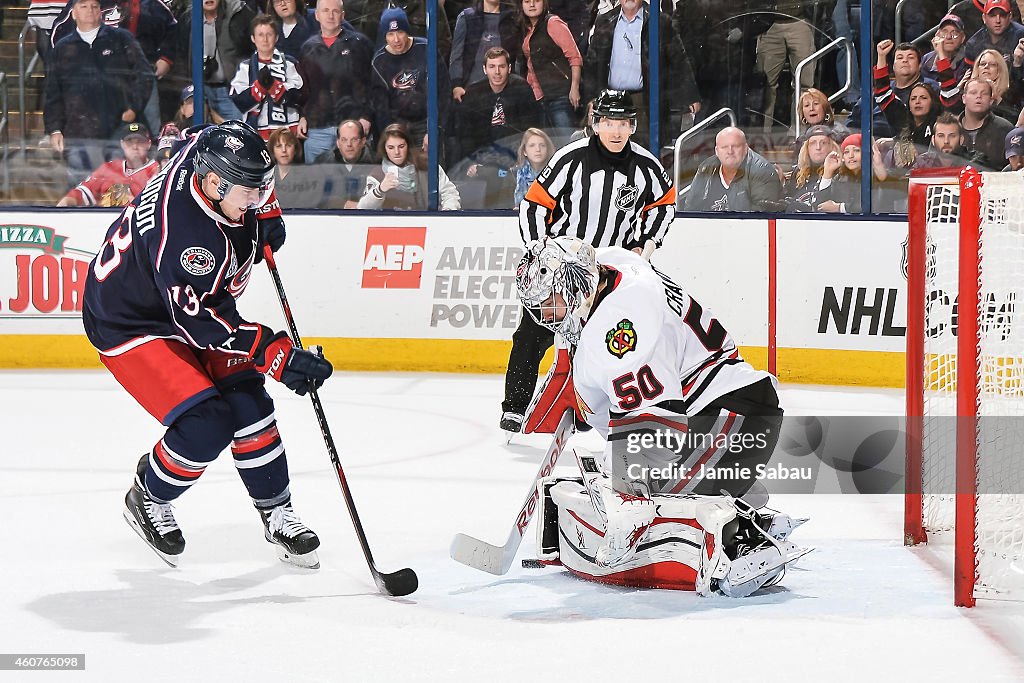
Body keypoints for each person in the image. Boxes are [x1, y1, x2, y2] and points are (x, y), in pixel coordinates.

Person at [82, 121, 333, 569]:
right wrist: (275, 355)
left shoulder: (208, 153)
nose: (256, 200)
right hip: (132, 320)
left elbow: (227, 133)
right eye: (249, 194)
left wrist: (266, 209)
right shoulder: (189, 241)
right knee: (207, 423)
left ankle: (276, 512)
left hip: (180, 299)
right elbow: (201, 323)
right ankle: (149, 497)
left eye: (262, 189)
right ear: (215, 183)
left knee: (250, 402)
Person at [513, 236, 807, 595]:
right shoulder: (613, 266)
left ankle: (743, 536)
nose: (547, 315)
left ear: (577, 285)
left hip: (733, 418)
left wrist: (627, 493)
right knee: (622, 474)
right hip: (722, 414)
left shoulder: (622, 328)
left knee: (631, 486)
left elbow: (653, 429)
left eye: (551, 302)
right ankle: (737, 504)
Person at [501, 90, 674, 433]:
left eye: (623, 124)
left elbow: (664, 205)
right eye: (609, 122)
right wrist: (541, 250)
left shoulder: (646, 166)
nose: (615, 131)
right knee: (532, 335)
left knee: (608, 341)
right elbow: (535, 204)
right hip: (564, 270)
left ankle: (591, 409)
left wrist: (645, 247)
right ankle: (516, 406)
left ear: (632, 126)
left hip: (613, 274)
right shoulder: (570, 158)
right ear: (596, 124)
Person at [44, 0, 154, 186]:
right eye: (84, 6)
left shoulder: (121, 39)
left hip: (118, 130)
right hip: (78, 133)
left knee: (120, 190)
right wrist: (54, 129)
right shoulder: (62, 48)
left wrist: (133, 108)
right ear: (73, 13)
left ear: (101, 12)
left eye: (94, 6)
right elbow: (53, 93)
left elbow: (144, 75)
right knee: (81, 192)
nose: (90, 11)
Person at [583, 0, 700, 149]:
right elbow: (593, 64)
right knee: (611, 149)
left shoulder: (659, 21)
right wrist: (592, 98)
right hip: (610, 99)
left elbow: (678, 59)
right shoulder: (605, 20)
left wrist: (690, 95)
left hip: (644, 101)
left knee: (643, 151)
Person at [455, 46, 542, 207]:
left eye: (501, 66)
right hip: (482, 158)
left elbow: (530, 131)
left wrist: (520, 161)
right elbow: (465, 134)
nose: (497, 72)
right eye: (492, 67)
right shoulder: (474, 93)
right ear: (484, 69)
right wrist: (471, 162)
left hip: (514, 157)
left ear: (509, 68)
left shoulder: (522, 89)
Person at [296, 0, 374, 163]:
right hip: (318, 128)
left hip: (353, 127)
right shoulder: (307, 48)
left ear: (343, 15)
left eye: (335, 11)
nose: (330, 16)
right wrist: (302, 116)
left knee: (357, 183)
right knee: (318, 183)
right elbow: (303, 89)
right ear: (317, 15)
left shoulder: (360, 44)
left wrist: (366, 116)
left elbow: (372, 84)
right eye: (325, 11)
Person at [369, 6, 451, 147]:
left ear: (407, 31)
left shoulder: (426, 48)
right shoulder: (379, 62)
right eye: (390, 34)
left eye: (400, 32)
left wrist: (436, 128)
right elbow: (381, 107)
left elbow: (443, 91)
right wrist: (392, 136)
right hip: (398, 128)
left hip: (427, 123)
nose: (396, 39)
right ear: (384, 36)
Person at [173, 0, 255, 122]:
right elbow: (180, 54)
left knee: (236, 132)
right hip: (200, 89)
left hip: (231, 90)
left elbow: (252, 49)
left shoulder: (238, 13)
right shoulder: (188, 19)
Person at [230, 14, 304, 139]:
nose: (265, 39)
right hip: (256, 133)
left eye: (269, 34)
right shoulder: (245, 66)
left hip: (288, 133)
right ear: (253, 38)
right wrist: (259, 88)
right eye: (260, 35)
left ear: (276, 38)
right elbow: (239, 101)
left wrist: (275, 87)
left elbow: (300, 96)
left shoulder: (290, 63)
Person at [357, 123, 462, 209]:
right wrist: (380, 190)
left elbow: (450, 193)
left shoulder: (427, 166)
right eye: (391, 147)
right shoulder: (377, 175)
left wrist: (447, 212)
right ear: (384, 149)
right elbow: (362, 208)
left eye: (401, 146)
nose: (397, 152)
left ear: (408, 146)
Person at [683, 126, 784, 212]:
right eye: (724, 147)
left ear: (745, 148)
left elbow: (761, 218)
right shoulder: (706, 168)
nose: (730, 151)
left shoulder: (762, 170)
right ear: (717, 151)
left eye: (735, 146)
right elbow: (691, 208)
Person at [57, 122, 160, 207]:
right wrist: (66, 202)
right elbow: (82, 192)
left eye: (140, 142)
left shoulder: (157, 171)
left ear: (148, 144)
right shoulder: (109, 168)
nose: (135, 146)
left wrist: (134, 205)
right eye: (129, 142)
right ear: (122, 144)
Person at [518, 0, 582, 134]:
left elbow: (575, 57)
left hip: (559, 94)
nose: (532, 5)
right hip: (537, 97)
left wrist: (574, 88)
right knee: (545, 147)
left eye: (536, 1)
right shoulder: (525, 29)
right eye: (527, 1)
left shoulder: (553, 23)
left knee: (567, 142)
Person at [449, 0, 521, 101]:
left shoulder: (513, 17)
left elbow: (518, 56)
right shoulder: (466, 17)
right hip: (471, 89)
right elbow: (456, 55)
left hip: (506, 92)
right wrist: (456, 85)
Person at [816, 133, 888, 213]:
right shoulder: (840, 177)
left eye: (857, 150)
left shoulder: (876, 175)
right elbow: (821, 206)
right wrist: (827, 172)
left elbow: (875, 205)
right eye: (846, 152)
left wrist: (840, 208)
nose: (851, 155)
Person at [317, 119, 377, 208]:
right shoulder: (323, 161)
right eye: (344, 140)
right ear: (338, 143)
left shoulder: (375, 162)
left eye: (354, 139)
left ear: (363, 141)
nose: (349, 144)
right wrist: (342, 204)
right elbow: (316, 197)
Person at [959, 76, 1014, 169]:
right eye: (973, 93)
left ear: (991, 100)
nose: (978, 96)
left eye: (984, 94)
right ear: (964, 98)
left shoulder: (1005, 128)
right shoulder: (951, 128)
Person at [783, 125, 840, 212]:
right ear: (807, 148)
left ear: (832, 147)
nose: (818, 147)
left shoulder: (839, 174)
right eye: (813, 143)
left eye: (823, 143)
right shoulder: (798, 173)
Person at [964, 0, 1024, 67]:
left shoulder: (1021, 35)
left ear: (1010, 16)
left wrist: (1018, 64)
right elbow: (967, 73)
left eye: (1002, 15)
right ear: (984, 18)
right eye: (992, 15)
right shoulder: (973, 44)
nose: (998, 20)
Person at [921, 13, 969, 84]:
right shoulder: (927, 59)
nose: (949, 37)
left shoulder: (968, 60)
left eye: (954, 33)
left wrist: (941, 54)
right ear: (937, 35)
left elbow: (950, 90)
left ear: (962, 38)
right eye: (944, 32)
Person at [512, 127, 553, 205]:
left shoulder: (557, 173)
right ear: (524, 151)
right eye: (532, 145)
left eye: (542, 145)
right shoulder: (513, 175)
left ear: (547, 149)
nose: (538, 149)